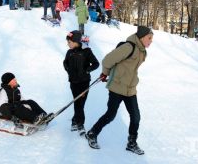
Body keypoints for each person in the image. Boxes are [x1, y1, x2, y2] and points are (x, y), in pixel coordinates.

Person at [85, 26, 154, 155]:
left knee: (136, 117)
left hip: (130, 88)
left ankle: (132, 143)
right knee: (110, 115)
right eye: (149, 38)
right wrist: (105, 73)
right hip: (117, 87)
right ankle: (92, 133)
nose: (151, 41)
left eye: (152, 39)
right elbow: (107, 60)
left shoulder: (142, 51)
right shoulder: (129, 47)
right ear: (141, 37)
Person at [63, 31, 99, 135]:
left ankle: (79, 123)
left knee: (80, 103)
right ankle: (76, 122)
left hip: (84, 82)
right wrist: (67, 69)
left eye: (69, 42)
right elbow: (65, 62)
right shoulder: (69, 52)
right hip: (73, 82)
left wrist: (87, 70)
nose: (67, 44)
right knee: (77, 102)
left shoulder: (86, 51)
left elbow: (96, 64)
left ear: (75, 41)